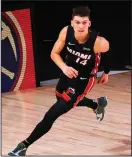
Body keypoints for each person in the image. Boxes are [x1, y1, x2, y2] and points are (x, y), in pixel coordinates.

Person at [8, 5, 110, 156]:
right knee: (59, 97)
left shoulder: (98, 42)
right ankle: (96, 104)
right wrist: (63, 67)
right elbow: (54, 53)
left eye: (84, 22)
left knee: (52, 114)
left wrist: (106, 73)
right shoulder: (66, 31)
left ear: (89, 23)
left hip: (84, 80)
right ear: (72, 22)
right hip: (67, 73)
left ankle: (23, 146)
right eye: (77, 22)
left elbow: (109, 54)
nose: (81, 26)